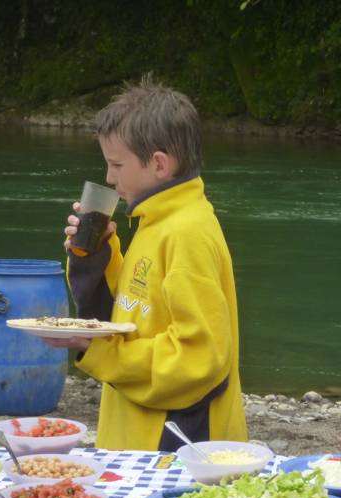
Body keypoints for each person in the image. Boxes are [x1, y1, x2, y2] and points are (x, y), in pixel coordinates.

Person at [43, 76, 247, 451]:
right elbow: (128, 311)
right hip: (136, 440)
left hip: (178, 452)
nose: (108, 177)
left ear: (158, 164)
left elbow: (199, 362)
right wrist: (96, 256)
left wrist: (98, 351)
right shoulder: (153, 221)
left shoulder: (187, 232)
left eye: (116, 164)